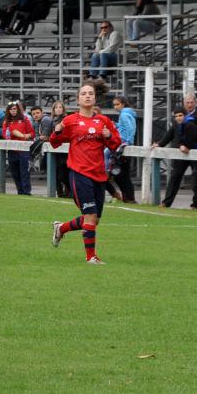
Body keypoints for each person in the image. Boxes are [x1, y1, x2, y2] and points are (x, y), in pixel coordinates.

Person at [49, 79, 122, 264]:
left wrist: (109, 136)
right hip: (79, 173)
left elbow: (116, 144)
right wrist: (57, 132)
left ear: (95, 98)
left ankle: (61, 228)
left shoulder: (103, 121)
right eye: (84, 94)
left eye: (90, 93)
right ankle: (91, 258)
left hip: (99, 174)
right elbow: (54, 143)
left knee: (93, 219)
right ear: (78, 99)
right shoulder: (71, 120)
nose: (87, 96)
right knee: (89, 216)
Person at [154, 107, 197, 209]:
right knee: (174, 178)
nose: (178, 118)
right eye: (176, 116)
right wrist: (159, 144)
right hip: (182, 155)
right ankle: (166, 203)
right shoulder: (176, 124)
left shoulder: (191, 124)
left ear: (185, 115)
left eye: (180, 115)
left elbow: (193, 139)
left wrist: (184, 145)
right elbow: (169, 135)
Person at [107, 95, 137, 204]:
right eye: (114, 105)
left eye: (117, 104)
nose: (115, 107)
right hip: (123, 142)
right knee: (122, 175)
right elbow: (124, 127)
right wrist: (116, 125)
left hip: (123, 142)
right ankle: (128, 198)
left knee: (106, 153)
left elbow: (129, 128)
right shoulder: (127, 114)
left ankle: (106, 170)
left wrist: (128, 141)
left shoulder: (124, 114)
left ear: (123, 104)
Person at [1, 100, 33, 195]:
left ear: (18, 109)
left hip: (23, 150)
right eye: (11, 109)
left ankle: (26, 192)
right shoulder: (6, 122)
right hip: (12, 150)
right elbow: (4, 134)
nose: (13, 111)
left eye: (15, 109)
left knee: (24, 173)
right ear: (8, 111)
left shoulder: (25, 119)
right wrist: (11, 133)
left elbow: (32, 133)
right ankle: (20, 191)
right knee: (15, 173)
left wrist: (26, 136)